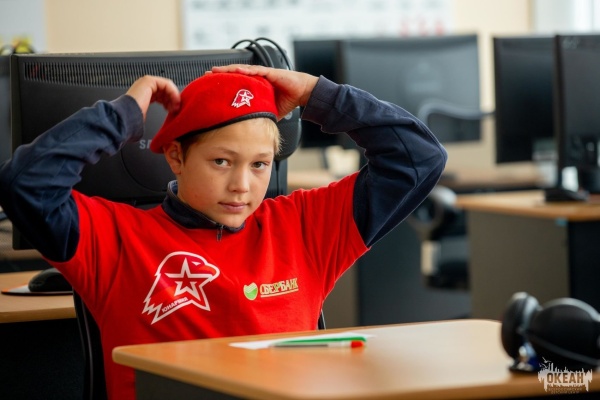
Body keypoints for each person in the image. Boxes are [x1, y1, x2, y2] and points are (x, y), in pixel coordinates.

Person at [0, 64, 447, 399]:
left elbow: (419, 157)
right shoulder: (115, 238)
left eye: (260, 164)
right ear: (176, 157)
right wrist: (124, 116)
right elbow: (24, 184)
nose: (241, 185)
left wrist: (318, 95)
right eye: (221, 161)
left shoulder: (304, 225)